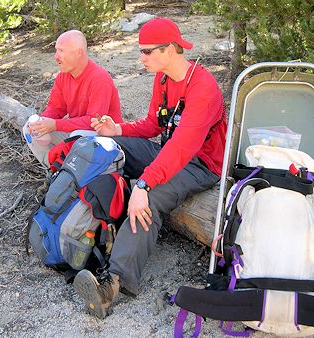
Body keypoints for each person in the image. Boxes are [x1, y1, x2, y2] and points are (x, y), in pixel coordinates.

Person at [73, 17, 227, 319]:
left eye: (147, 52)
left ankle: (113, 284)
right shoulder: (164, 79)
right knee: (110, 149)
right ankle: (92, 228)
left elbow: (182, 147)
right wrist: (117, 130)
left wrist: (143, 185)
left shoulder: (203, 87)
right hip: (169, 152)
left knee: (151, 197)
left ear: (169, 49)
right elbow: (153, 125)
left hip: (200, 164)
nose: (141, 58)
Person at [23, 30, 123, 167]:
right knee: (29, 127)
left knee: (77, 136)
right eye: (56, 51)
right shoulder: (63, 76)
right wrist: (41, 123)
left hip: (107, 140)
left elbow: (94, 121)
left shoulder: (99, 78)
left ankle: (78, 178)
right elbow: (56, 108)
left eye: (61, 51)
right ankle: (56, 173)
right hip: (78, 134)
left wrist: (55, 125)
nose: (56, 56)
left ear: (79, 53)